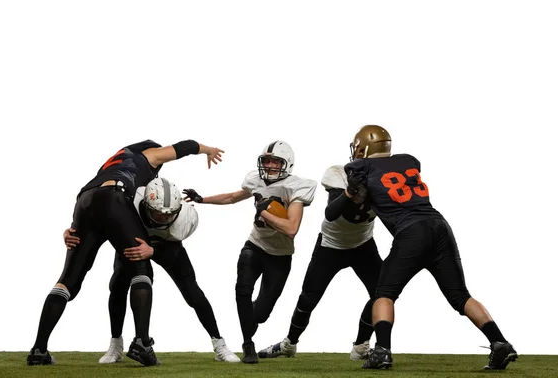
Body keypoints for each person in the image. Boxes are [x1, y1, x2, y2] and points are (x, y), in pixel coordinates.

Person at [27, 139, 224, 367]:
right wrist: (208, 150)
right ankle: (142, 342)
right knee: (140, 266)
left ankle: (39, 350)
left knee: (67, 282)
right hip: (114, 197)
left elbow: (97, 201)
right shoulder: (146, 156)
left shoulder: (113, 163)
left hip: (84, 202)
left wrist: (70, 230)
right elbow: (185, 146)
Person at [344, 125, 518, 370]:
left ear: (362, 147)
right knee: (460, 296)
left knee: (383, 294)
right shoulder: (408, 160)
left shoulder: (359, 167)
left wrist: (353, 189)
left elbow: (357, 200)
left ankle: (381, 351)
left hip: (411, 233)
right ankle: (499, 342)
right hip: (440, 226)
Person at [63, 177, 241, 364]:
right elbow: (99, 216)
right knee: (117, 287)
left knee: (193, 293)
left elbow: (172, 253)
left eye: (168, 214)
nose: (163, 218)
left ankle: (219, 343)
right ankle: (115, 344)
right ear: (146, 204)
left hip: (167, 245)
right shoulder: (129, 201)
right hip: (133, 244)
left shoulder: (185, 220)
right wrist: (74, 229)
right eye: (157, 214)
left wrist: (153, 250)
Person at [182, 140, 317, 364]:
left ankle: (249, 326)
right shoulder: (255, 179)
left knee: (261, 313)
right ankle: (248, 344)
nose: (271, 166)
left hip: (280, 255)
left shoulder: (297, 186)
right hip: (254, 246)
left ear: (287, 164)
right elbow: (233, 197)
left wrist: (264, 213)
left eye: (276, 162)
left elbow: (292, 229)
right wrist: (201, 199)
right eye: (267, 161)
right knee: (242, 289)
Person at [257, 164, 382, 360]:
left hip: (364, 244)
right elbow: (331, 213)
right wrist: (349, 192)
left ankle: (361, 346)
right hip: (331, 246)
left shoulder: (386, 178)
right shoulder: (339, 174)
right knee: (308, 298)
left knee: (382, 294)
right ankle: (289, 344)